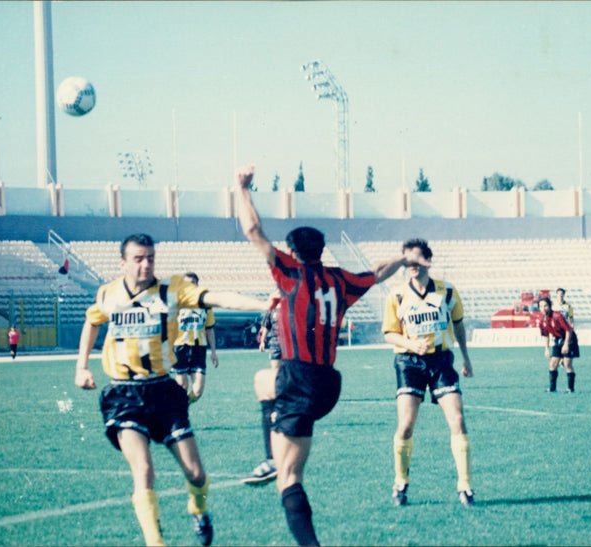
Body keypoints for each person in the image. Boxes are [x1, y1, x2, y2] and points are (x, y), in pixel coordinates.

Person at [235, 164, 427, 546]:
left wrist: (242, 189)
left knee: (288, 479)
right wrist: (404, 261)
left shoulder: (290, 272)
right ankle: (275, 458)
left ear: (293, 251)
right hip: (327, 384)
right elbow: (376, 272)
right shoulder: (340, 279)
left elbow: (253, 231)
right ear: (321, 251)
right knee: (262, 382)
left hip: (298, 377)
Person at [74, 233, 276, 547]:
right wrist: (81, 366)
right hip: (123, 395)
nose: (145, 264)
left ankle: (199, 508)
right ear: (123, 263)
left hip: (163, 393)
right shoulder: (108, 294)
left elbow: (219, 298)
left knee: (196, 474)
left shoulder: (172, 290)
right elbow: (92, 321)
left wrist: (263, 304)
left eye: (150, 258)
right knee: (143, 469)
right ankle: (156, 543)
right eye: (138, 259)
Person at [382, 238, 475, 509]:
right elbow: (389, 334)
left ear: (427, 261)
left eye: (416, 259)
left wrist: (466, 358)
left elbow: (458, 325)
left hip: (441, 361)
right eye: (406, 260)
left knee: (457, 419)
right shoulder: (396, 295)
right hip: (409, 362)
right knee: (406, 425)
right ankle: (400, 483)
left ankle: (465, 486)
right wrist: (411, 344)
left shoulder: (446, 292)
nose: (411, 265)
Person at [242, 306, 281, 485]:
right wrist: (262, 340)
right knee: (272, 375)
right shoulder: (271, 308)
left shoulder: (293, 301)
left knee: (278, 376)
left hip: (288, 342)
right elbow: (265, 326)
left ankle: (273, 460)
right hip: (274, 342)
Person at [172, 272, 219, 404]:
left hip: (199, 349)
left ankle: (180, 407)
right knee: (182, 387)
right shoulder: (176, 304)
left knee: (197, 391)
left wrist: (214, 352)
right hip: (180, 347)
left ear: (197, 285)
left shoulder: (205, 305)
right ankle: (178, 412)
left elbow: (209, 329)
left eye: (192, 284)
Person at [538, 296, 579, 392]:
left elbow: (568, 330)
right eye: (541, 306)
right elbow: (546, 335)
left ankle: (570, 388)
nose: (543, 309)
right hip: (558, 340)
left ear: (550, 306)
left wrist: (566, 344)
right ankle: (552, 388)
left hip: (569, 339)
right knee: (553, 364)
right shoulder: (542, 321)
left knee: (567, 364)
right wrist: (546, 349)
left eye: (545, 306)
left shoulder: (557, 316)